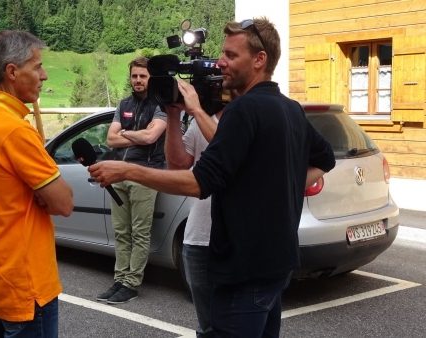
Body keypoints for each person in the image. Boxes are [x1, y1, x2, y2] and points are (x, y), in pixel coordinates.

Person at [88, 17, 336, 337]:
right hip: (277, 265)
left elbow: (198, 182)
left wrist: (126, 170)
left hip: (244, 269)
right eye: (223, 53)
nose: (220, 62)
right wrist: (277, 186)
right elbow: (324, 159)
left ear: (259, 60)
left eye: (231, 55)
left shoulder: (243, 110)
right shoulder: (289, 109)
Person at [0, 30, 74, 338]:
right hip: (27, 284)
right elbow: (63, 203)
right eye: (37, 67)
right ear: (12, 71)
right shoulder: (14, 130)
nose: (45, 75)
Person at [163, 88, 235, 338]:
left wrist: (195, 110)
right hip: (198, 237)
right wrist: (172, 117)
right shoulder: (201, 119)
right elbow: (177, 165)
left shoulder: (247, 117)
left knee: (236, 326)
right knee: (208, 328)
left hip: (237, 240)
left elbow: (233, 151)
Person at [96, 56, 168, 305]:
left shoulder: (160, 104)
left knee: (139, 232)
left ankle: (131, 283)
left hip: (144, 173)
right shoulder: (124, 104)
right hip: (119, 172)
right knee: (121, 232)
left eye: (143, 76)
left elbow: (151, 138)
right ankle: (120, 279)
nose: (138, 80)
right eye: (134, 76)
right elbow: (110, 140)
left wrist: (124, 132)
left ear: (151, 78)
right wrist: (135, 134)